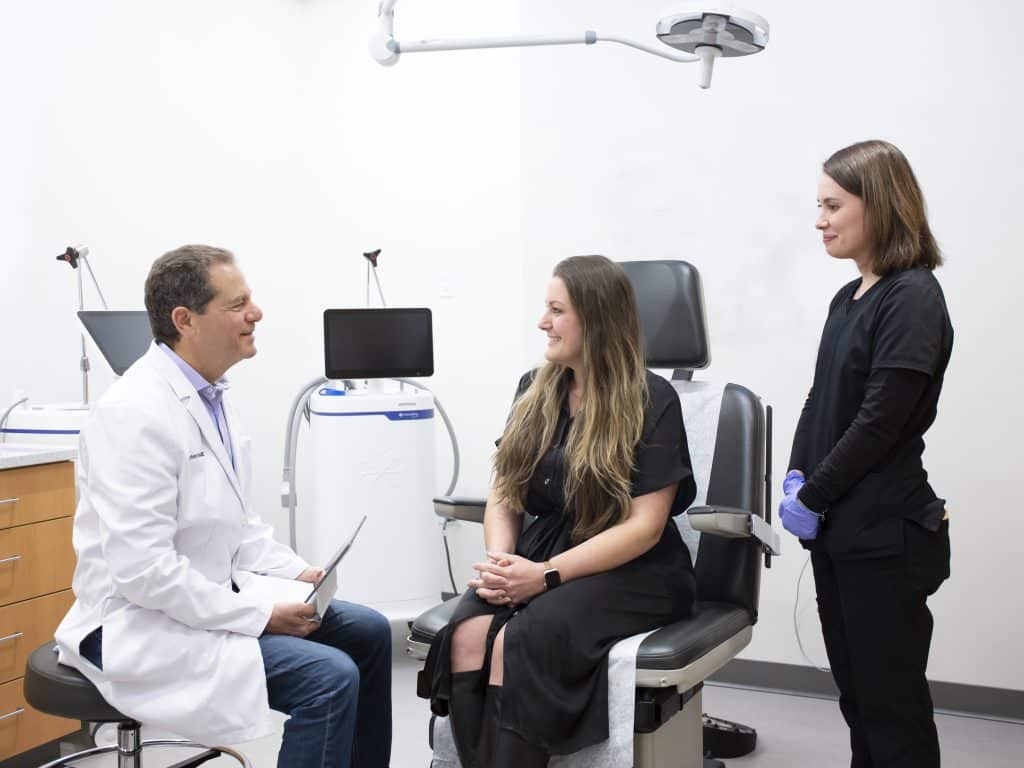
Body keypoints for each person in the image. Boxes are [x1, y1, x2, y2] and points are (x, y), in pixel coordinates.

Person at [54, 245, 392, 768]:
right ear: (185, 320)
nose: (256, 313)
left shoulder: (213, 397)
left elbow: (237, 523)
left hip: (200, 600)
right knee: (327, 678)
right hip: (136, 625)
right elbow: (143, 573)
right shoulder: (132, 413)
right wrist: (261, 615)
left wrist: (298, 572)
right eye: (238, 304)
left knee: (368, 631)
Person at [422, 255, 697, 768]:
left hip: (634, 569)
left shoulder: (650, 399)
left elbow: (644, 527)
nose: (542, 323)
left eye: (556, 310)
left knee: (521, 641)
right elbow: (505, 493)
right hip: (538, 559)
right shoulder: (535, 390)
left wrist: (545, 576)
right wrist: (503, 563)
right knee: (465, 635)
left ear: (595, 318)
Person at [780, 141, 953, 768]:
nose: (820, 220)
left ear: (877, 205)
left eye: (832, 205)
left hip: (886, 535)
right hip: (840, 531)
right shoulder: (847, 298)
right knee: (859, 697)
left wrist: (816, 494)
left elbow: (882, 420)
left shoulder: (911, 297)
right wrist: (796, 475)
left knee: (891, 706)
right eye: (818, 206)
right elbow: (820, 398)